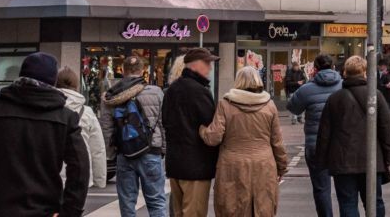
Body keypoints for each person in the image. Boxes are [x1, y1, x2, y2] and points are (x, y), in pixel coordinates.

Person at [0, 52, 89, 217]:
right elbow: (80, 169)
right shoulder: (65, 118)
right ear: (53, 81)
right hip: (43, 207)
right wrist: (70, 212)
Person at [200, 66, 288, 217]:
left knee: (232, 208)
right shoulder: (269, 105)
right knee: (262, 208)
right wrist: (282, 167)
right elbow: (277, 141)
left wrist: (202, 129)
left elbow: (214, 138)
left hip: (232, 166)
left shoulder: (225, 104)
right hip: (264, 165)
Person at [316, 55, 390, 217]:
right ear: (365, 73)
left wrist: (322, 161)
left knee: (347, 203)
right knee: (375, 202)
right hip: (372, 159)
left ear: (345, 73)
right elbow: (386, 128)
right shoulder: (375, 96)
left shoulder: (335, 99)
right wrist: (389, 156)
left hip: (342, 161)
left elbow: (324, 133)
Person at [100, 55, 166, 217]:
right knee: (156, 201)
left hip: (125, 153)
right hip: (151, 151)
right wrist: (163, 148)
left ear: (123, 70)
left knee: (127, 202)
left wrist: (111, 154)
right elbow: (163, 124)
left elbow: (106, 128)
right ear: (143, 71)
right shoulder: (156, 92)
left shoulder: (111, 96)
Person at [162, 48, 220, 217]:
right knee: (194, 213)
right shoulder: (199, 91)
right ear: (195, 65)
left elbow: (165, 122)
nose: (210, 68)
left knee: (178, 212)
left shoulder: (172, 90)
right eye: (207, 63)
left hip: (175, 163)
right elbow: (211, 126)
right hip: (196, 165)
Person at [287, 54, 343, 217]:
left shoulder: (307, 89)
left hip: (316, 143)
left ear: (314, 70)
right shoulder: (343, 85)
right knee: (344, 187)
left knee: (321, 188)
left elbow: (293, 108)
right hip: (340, 143)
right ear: (333, 67)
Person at [57, 66, 107, 188]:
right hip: (79, 173)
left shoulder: (47, 107)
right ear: (76, 85)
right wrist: (99, 179)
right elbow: (97, 149)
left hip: (51, 173)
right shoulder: (87, 112)